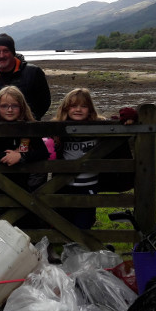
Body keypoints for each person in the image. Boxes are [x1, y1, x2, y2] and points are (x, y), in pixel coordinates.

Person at [0, 86, 48, 226]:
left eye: (14, 106)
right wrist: (5, 156)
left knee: (26, 223)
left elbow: (42, 152)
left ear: (22, 107)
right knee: (1, 225)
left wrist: (21, 156)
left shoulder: (29, 128)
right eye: (4, 106)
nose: (9, 110)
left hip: (24, 187)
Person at [51, 88, 104, 229]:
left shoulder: (99, 127)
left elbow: (118, 128)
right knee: (63, 223)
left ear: (90, 109)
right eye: (73, 106)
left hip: (89, 186)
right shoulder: (57, 129)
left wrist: (128, 118)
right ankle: (65, 250)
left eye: (84, 106)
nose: (78, 110)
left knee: (84, 224)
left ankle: (81, 250)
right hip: (63, 185)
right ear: (66, 109)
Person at [0, 33, 52, 120]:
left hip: (30, 129)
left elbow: (44, 102)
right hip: (0, 130)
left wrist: (29, 121)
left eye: (5, 51)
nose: (1, 56)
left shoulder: (34, 73)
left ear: (13, 52)